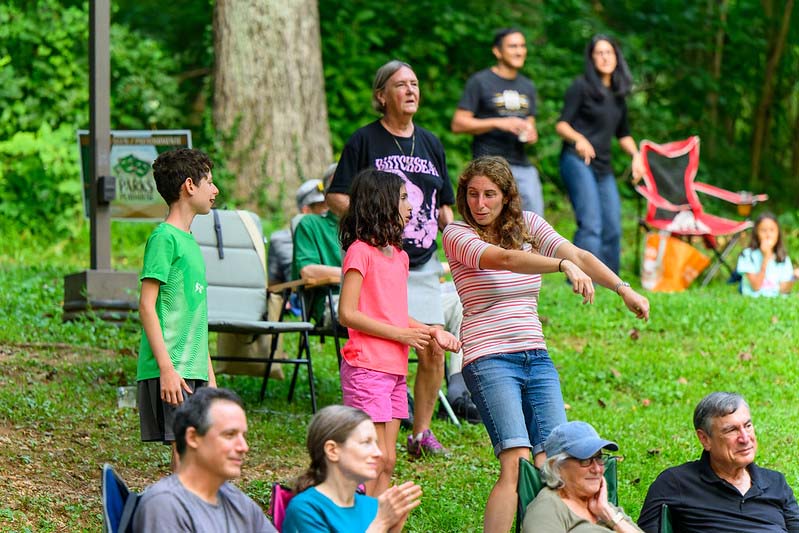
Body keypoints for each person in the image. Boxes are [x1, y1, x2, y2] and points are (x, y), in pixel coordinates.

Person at [442, 156, 650, 533]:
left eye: (489, 194)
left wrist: (623, 289)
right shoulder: (458, 234)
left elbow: (580, 255)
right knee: (517, 462)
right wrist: (558, 266)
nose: (480, 203)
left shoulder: (529, 226)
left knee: (555, 459)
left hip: (535, 356)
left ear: (506, 197)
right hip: (488, 357)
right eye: (472, 194)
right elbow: (504, 259)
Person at [326, 60, 457, 457]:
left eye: (415, 83)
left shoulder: (432, 142)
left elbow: (444, 207)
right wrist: (371, 225)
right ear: (381, 96)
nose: (411, 90)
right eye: (401, 85)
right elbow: (336, 196)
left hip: (418, 259)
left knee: (431, 345)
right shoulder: (364, 140)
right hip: (380, 256)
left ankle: (420, 432)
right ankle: (375, 417)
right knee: (391, 336)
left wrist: (453, 241)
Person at [337, 168, 460, 496]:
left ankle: (377, 519)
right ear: (382, 202)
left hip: (393, 369)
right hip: (367, 367)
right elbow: (347, 313)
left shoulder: (400, 257)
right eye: (404, 197)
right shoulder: (360, 251)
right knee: (374, 459)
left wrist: (433, 332)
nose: (411, 205)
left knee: (388, 461)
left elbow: (394, 315)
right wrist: (400, 335)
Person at [137, 148, 219, 471]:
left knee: (195, 452)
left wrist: (210, 376)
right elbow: (146, 306)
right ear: (189, 186)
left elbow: (196, 320)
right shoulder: (164, 239)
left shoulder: (191, 243)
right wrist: (166, 369)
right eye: (209, 182)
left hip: (194, 368)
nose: (215, 190)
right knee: (187, 453)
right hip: (172, 368)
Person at [638, 392, 799, 533]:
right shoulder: (676, 482)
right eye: (731, 430)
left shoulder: (776, 483)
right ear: (705, 439)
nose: (745, 438)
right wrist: (614, 517)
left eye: (748, 426)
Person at [555, 34, 645, 274]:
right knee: (591, 224)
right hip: (577, 161)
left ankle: (611, 282)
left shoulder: (618, 94)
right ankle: (581, 279)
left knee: (613, 226)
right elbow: (562, 125)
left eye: (609, 52)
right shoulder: (581, 87)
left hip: (604, 168)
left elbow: (623, 134)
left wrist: (636, 156)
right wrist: (579, 139)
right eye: (600, 53)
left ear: (617, 57)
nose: (605, 57)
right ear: (592, 58)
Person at [132, 387, 277, 532]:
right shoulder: (165, 505)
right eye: (229, 435)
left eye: (243, 436)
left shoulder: (235, 500)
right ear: (193, 438)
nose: (243, 447)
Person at [282, 405, 423, 533]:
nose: (378, 453)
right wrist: (381, 524)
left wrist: (393, 529)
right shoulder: (305, 509)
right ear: (332, 450)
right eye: (366, 443)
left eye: (376, 443)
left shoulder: (373, 507)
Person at [451, 27, 544, 216]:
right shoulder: (480, 81)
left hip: (521, 164)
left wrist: (532, 134)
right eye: (513, 46)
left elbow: (531, 124)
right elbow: (458, 123)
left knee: (534, 222)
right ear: (497, 51)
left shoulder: (527, 85)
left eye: (522, 46)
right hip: (488, 163)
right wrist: (498, 123)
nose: (519, 51)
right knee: (489, 223)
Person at [523, 421, 642, 533]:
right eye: (585, 460)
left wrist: (609, 515)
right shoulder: (548, 509)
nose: (597, 469)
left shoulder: (605, 506)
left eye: (599, 458)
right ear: (556, 466)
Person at [292, 163, 343, 325]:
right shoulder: (310, 224)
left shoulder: (369, 227)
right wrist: (355, 276)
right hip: (332, 300)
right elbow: (308, 271)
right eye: (340, 187)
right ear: (326, 195)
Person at [736, 212, 794, 297]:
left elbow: (783, 289)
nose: (768, 235)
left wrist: (794, 277)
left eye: (772, 230)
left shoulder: (783, 257)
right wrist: (766, 257)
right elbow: (756, 287)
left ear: (778, 233)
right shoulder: (747, 255)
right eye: (763, 230)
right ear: (756, 233)